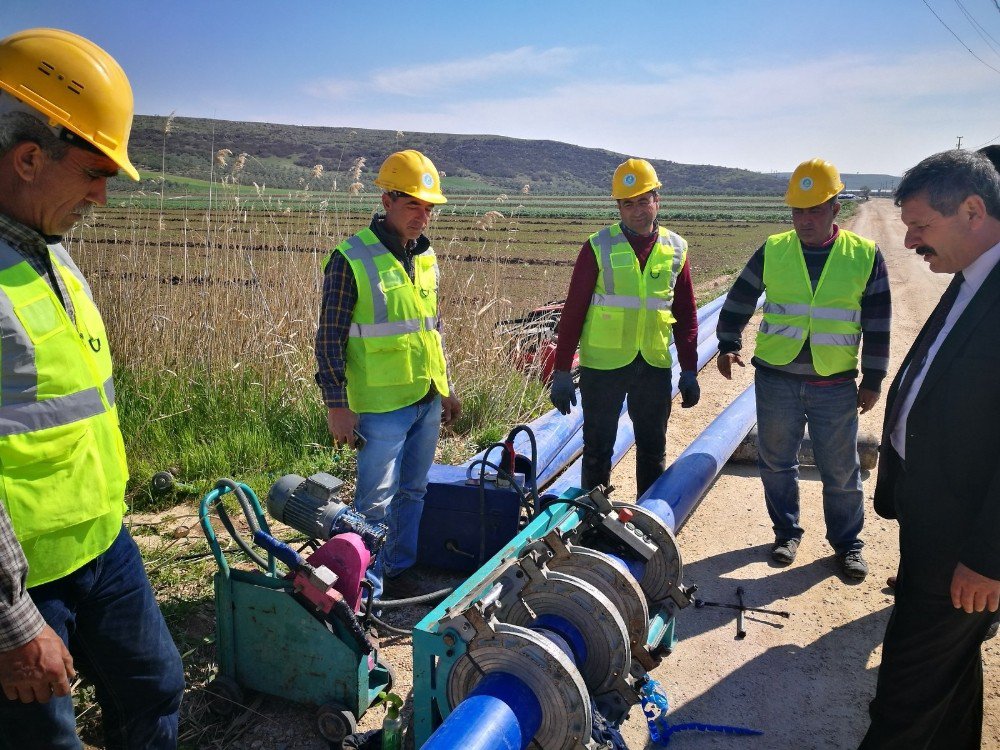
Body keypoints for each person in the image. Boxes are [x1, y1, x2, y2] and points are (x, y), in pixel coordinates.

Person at [0, 28, 184, 748]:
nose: (103, 197)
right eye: (94, 172)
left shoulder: (48, 250)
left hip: (102, 546)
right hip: (26, 582)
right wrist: (15, 627)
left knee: (156, 685)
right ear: (27, 158)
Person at [860, 149, 1000, 749]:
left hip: (968, 545)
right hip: (933, 519)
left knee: (904, 695)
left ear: (973, 210)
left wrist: (990, 556)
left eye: (921, 226)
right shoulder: (972, 274)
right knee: (948, 673)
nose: (911, 240)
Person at [716, 158, 891, 581]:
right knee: (776, 462)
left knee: (842, 469)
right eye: (798, 211)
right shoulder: (774, 249)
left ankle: (848, 544)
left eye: (815, 210)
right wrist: (727, 342)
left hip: (834, 383)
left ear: (835, 207)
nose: (805, 220)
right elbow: (741, 295)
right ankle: (786, 532)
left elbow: (878, 321)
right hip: (776, 377)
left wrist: (873, 379)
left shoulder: (863, 255)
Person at [315, 149, 461, 603]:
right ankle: (367, 590)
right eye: (413, 204)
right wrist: (337, 406)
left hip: (425, 397)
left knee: (413, 491)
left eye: (429, 207)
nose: (423, 215)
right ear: (387, 200)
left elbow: (428, 329)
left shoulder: (425, 256)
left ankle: (398, 571)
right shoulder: (351, 257)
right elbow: (329, 338)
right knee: (372, 503)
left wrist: (446, 387)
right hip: (379, 406)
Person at [549, 158, 700, 498]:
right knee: (598, 448)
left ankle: (647, 519)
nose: (636, 211)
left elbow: (687, 314)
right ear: (618, 206)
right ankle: (592, 522)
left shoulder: (676, 249)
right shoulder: (597, 246)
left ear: (657, 200)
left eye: (643, 201)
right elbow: (573, 312)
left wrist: (689, 369)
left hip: (654, 364)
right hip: (603, 367)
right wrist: (561, 370)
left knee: (652, 448)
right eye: (627, 203)